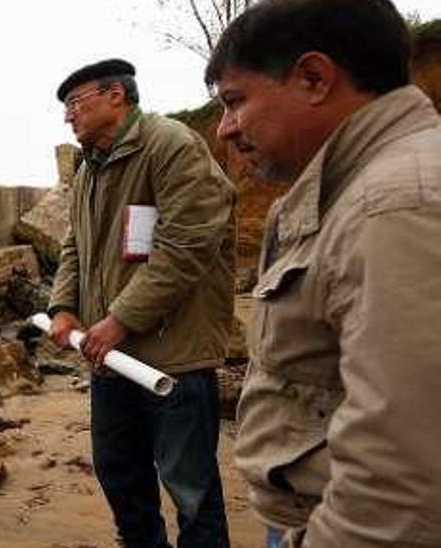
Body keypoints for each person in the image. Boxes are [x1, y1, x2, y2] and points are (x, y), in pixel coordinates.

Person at [205, 1, 441, 546]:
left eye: (235, 101)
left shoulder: (398, 207)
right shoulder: (358, 194)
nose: (224, 130)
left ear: (313, 77)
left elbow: (402, 486)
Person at [46, 59, 237, 547]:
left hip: (174, 360)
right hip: (111, 359)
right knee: (121, 480)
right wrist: (62, 306)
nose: (69, 116)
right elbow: (75, 246)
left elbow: (187, 244)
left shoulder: (171, 145)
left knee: (191, 491)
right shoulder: (89, 170)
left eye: (75, 103)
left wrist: (121, 319)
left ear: (116, 96)